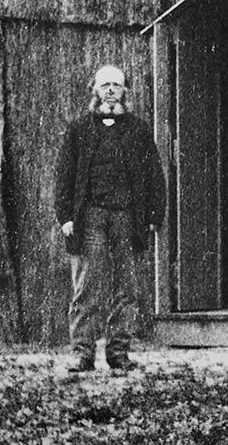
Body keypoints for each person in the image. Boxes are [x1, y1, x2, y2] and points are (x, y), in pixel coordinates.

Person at [54, 64, 166, 374]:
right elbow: (64, 175)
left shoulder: (139, 130)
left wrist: (155, 214)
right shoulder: (79, 129)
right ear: (95, 90)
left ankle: (119, 353)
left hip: (127, 218)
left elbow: (154, 174)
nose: (111, 91)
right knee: (88, 285)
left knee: (126, 286)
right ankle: (82, 353)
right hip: (90, 217)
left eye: (116, 85)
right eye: (105, 86)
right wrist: (65, 216)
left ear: (125, 91)